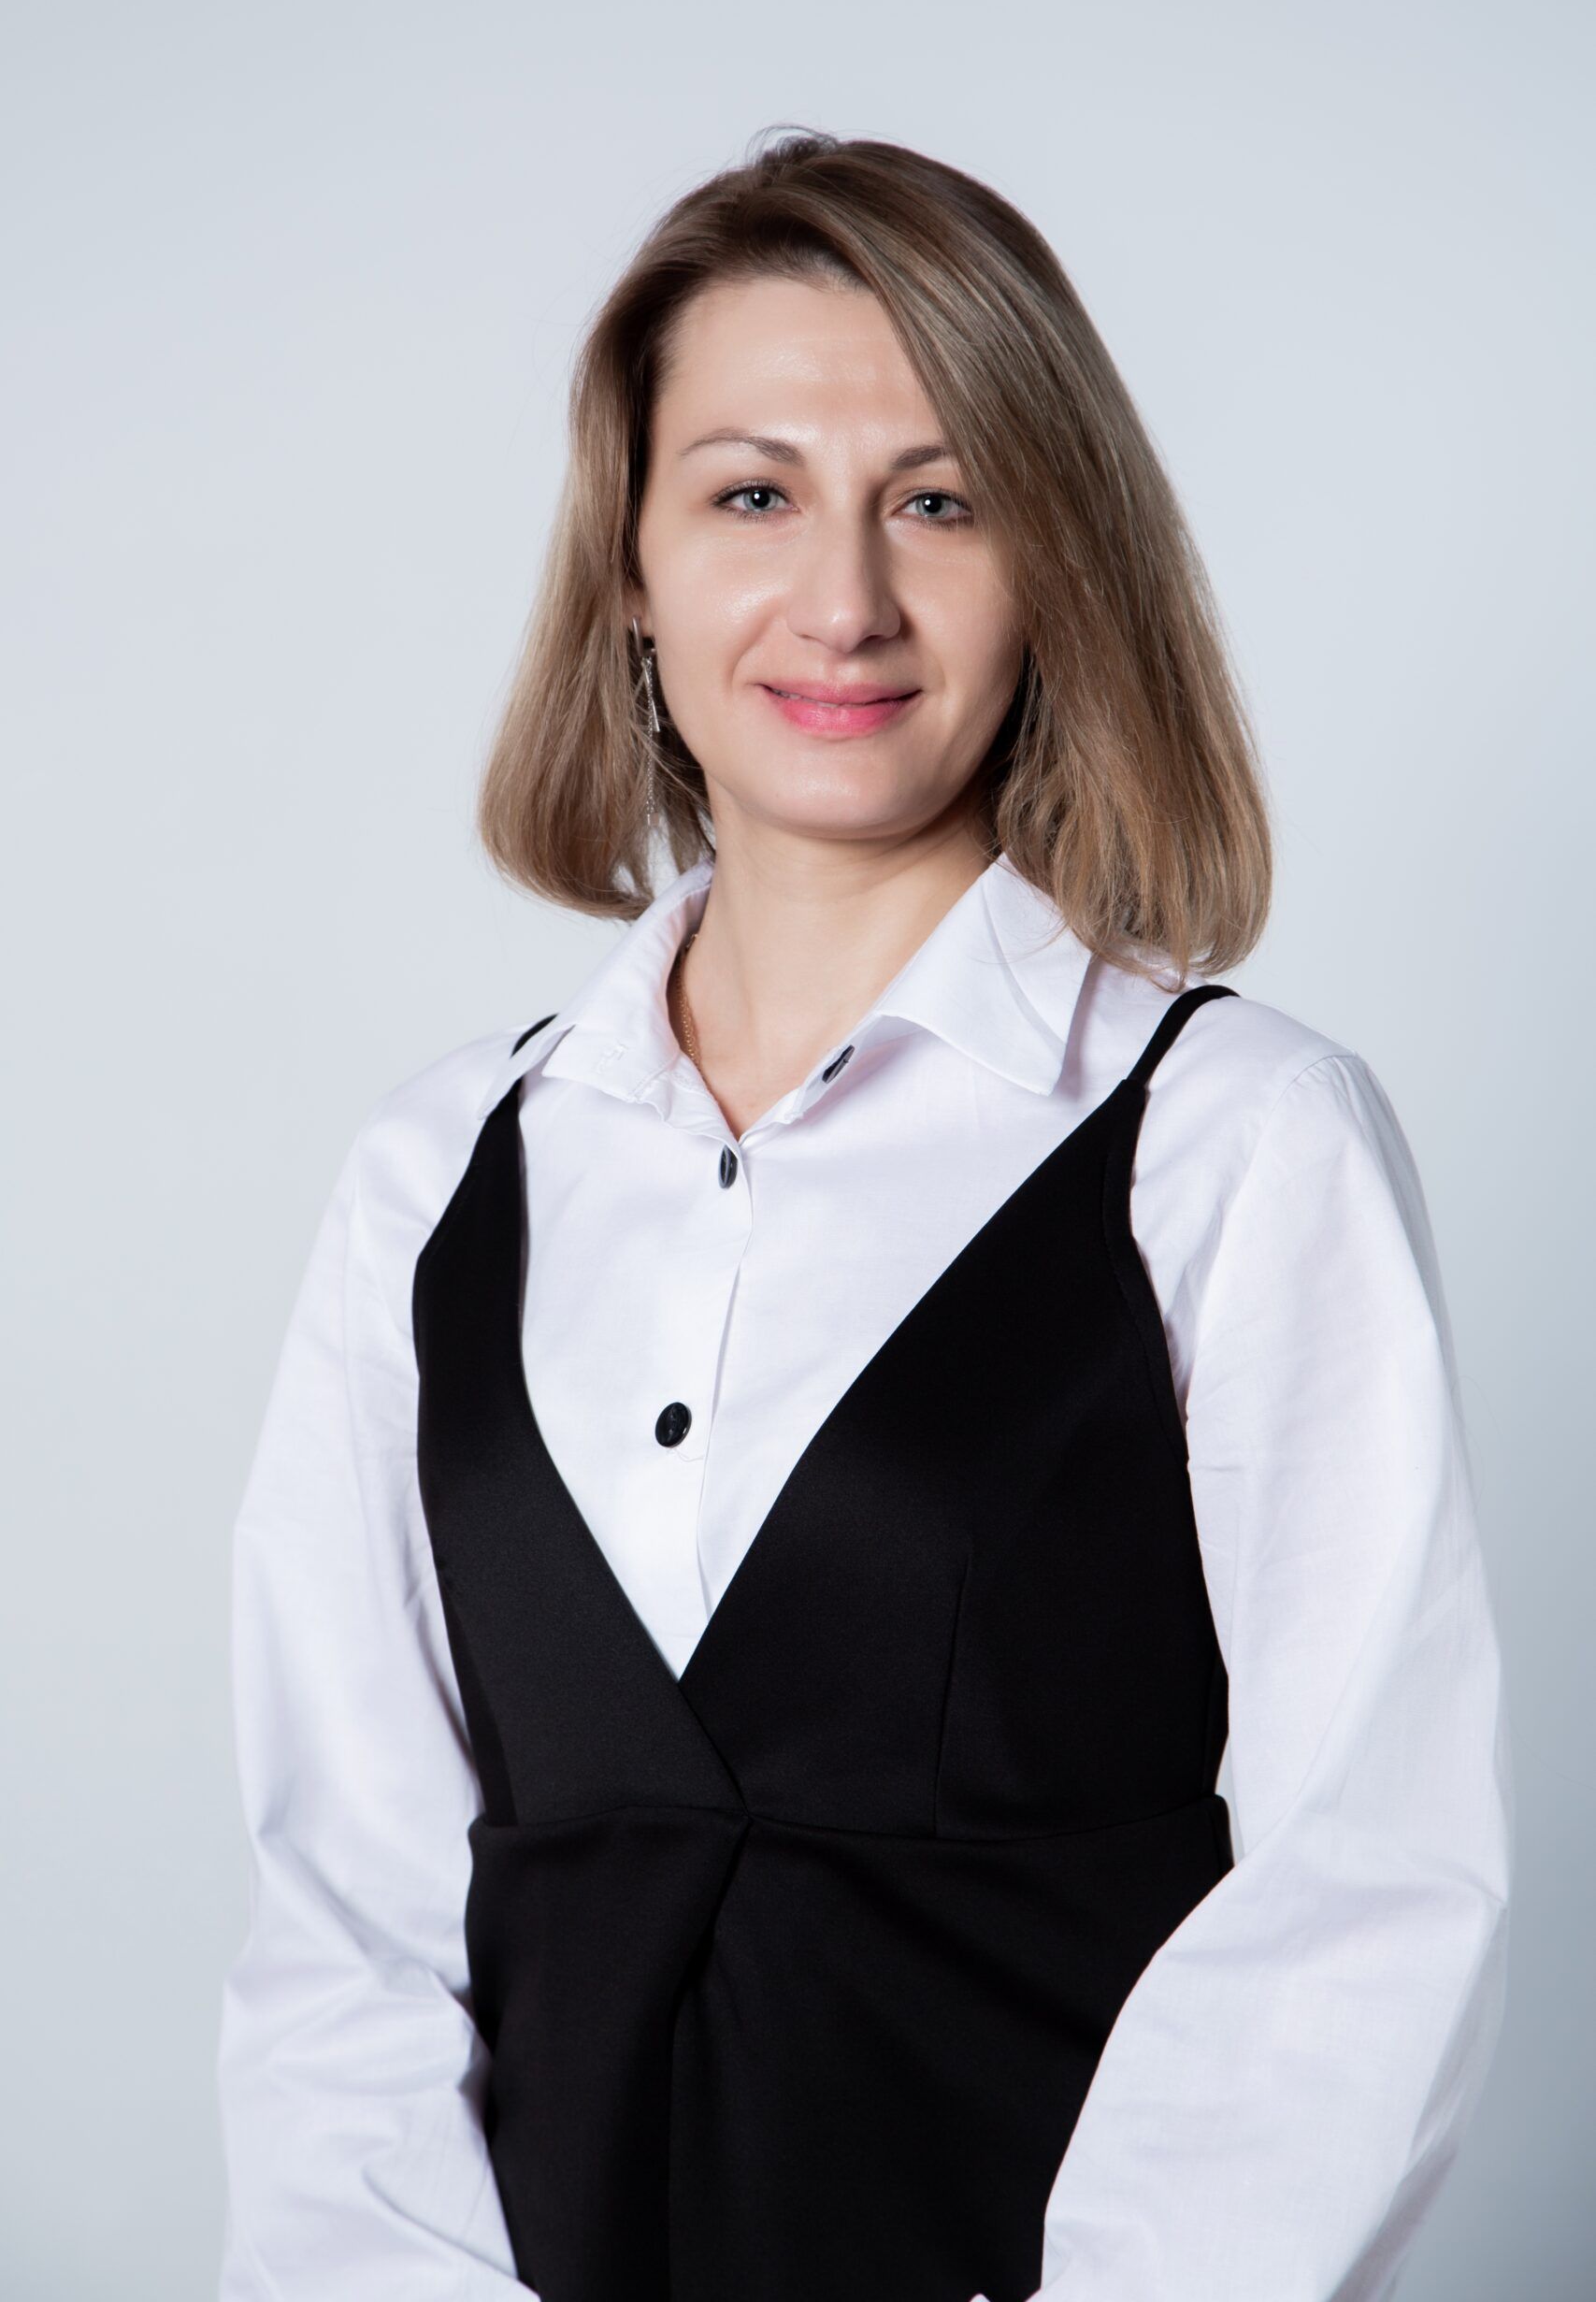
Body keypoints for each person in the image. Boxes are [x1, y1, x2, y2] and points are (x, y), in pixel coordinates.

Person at [215, 130, 1512, 2302]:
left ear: (1056, 560)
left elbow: (1358, 1893)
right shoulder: (434, 1173)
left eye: (939, 499)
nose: (844, 601)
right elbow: (343, 1908)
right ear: (628, 568)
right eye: (750, 495)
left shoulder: (1238, 1145)